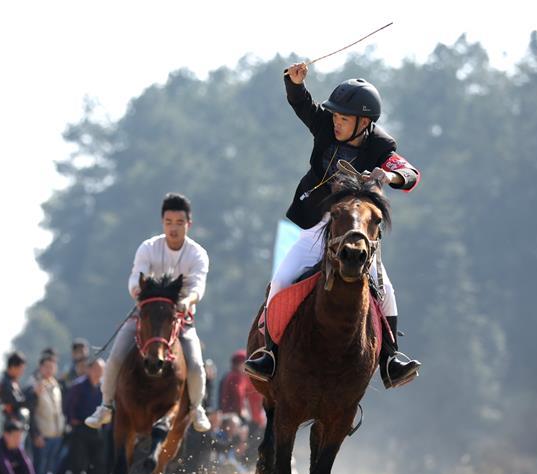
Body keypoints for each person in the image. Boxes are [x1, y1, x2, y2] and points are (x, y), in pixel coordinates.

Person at [245, 63, 421, 389]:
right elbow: (303, 105)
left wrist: (389, 175)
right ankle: (269, 354)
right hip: (314, 222)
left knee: (385, 290)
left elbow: (409, 173)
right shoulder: (326, 125)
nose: (336, 122)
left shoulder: (382, 148)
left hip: (355, 230)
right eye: (336, 116)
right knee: (281, 279)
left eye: (343, 118)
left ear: (364, 122)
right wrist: (294, 84)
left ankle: (391, 358)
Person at [84, 193, 212, 433]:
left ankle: (196, 408)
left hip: (180, 319)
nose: (173, 228)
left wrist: (186, 301)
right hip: (146, 317)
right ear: (162, 222)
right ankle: (105, 405)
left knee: (195, 364)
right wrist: (137, 291)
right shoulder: (148, 248)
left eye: (179, 223)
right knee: (116, 357)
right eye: (168, 222)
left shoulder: (198, 254)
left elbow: (197, 287)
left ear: (188, 224)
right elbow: (135, 277)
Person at [64, 358, 108, 474]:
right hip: (80, 429)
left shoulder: (104, 387)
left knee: (95, 462)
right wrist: (72, 420)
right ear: (89, 369)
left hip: (97, 429)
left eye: (101, 370)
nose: (98, 372)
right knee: (78, 463)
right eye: (96, 369)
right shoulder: (78, 386)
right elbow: (68, 406)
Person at [30, 352, 65, 474]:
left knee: (48, 468)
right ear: (41, 367)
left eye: (53, 366)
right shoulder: (35, 385)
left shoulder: (55, 385)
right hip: (42, 434)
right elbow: (31, 413)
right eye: (47, 366)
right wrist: (35, 434)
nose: (50, 370)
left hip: (55, 433)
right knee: (39, 467)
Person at [0, 352, 29, 430]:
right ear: (13, 367)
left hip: (19, 424)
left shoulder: (12, 382)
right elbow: (15, 403)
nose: (22, 372)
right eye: (21, 369)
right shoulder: (5, 384)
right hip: (12, 426)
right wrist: (32, 395)